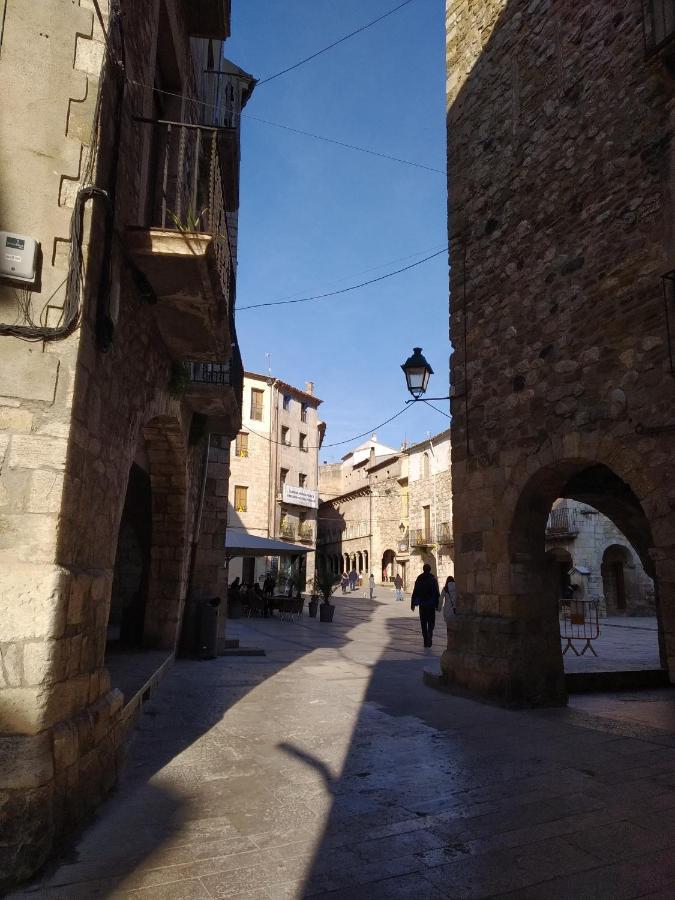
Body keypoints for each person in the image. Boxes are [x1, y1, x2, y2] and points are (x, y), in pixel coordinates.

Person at [410, 563, 440, 648]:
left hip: (422, 604)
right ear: (430, 570)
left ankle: (425, 641)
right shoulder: (432, 579)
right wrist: (437, 604)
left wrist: (412, 604)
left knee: (423, 623)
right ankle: (430, 635)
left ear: (423, 569)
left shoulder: (419, 578)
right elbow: (436, 592)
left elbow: (415, 591)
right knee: (431, 622)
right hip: (431, 604)